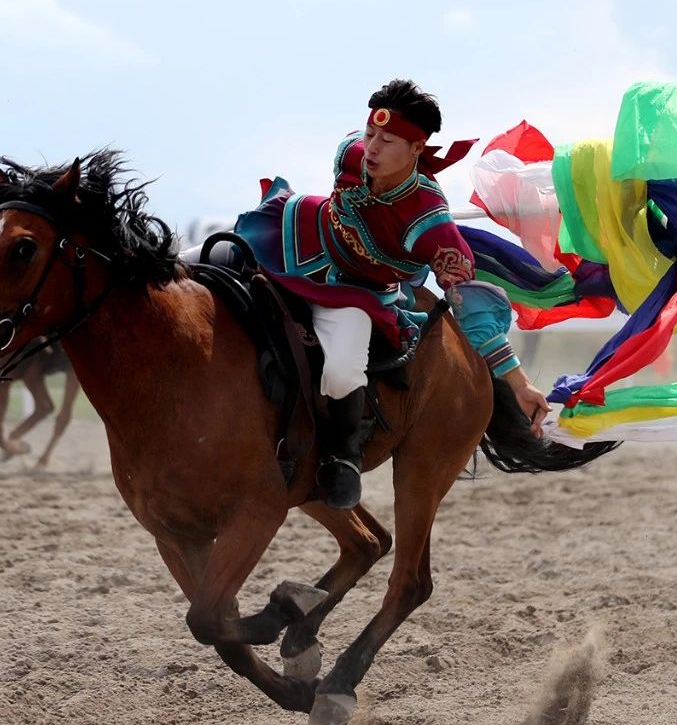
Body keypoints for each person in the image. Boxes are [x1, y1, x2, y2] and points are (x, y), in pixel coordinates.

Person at [228, 79, 550, 509]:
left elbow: (471, 306)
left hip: (354, 293)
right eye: (370, 134)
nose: (373, 148)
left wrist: (519, 384)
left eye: (388, 139)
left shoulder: (432, 226)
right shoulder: (351, 151)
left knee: (343, 372)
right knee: (200, 267)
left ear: (417, 148)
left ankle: (342, 458)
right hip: (289, 235)